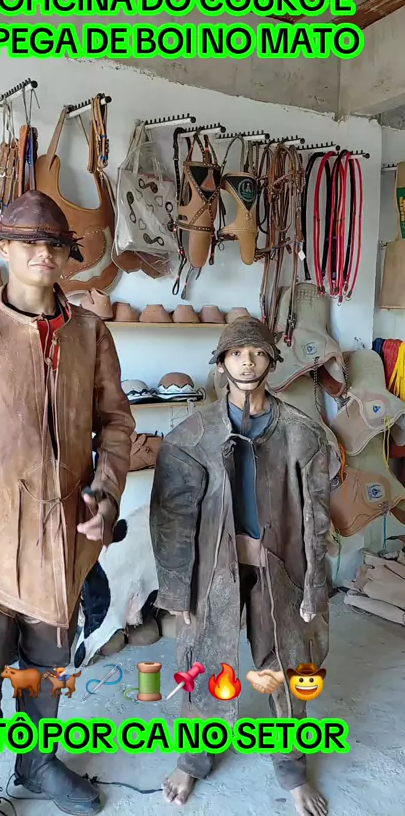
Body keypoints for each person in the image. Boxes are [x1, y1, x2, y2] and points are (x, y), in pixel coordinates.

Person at [0, 190, 135, 816]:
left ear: (68, 255)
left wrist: (107, 490)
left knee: (47, 665)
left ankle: (37, 763)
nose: (43, 253)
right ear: (4, 247)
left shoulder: (89, 332)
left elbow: (116, 423)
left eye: (55, 244)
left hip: (62, 537)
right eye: (29, 242)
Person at [150, 316, 330, 816]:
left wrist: (314, 586)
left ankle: (291, 768)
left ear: (272, 361)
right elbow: (172, 518)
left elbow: (316, 518)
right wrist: (177, 590)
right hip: (214, 570)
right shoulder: (191, 436)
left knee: (288, 664)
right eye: (235, 353)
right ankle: (193, 759)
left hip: (280, 566)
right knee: (205, 662)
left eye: (256, 352)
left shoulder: (303, 434)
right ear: (222, 363)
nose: (246, 362)